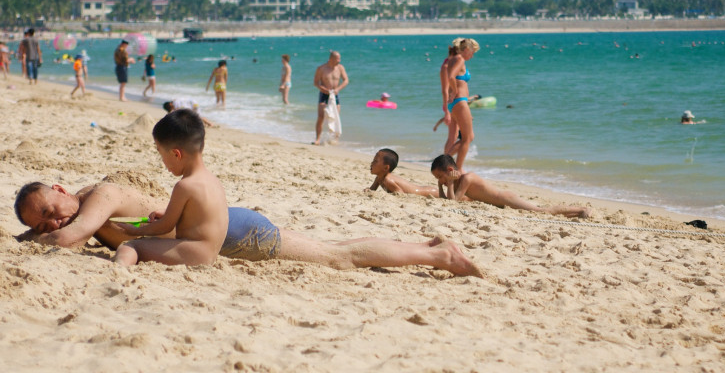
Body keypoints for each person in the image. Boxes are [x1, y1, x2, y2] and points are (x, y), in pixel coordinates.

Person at [15, 183, 483, 277]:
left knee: (338, 258)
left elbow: (67, 239)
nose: (53, 222)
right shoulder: (83, 211)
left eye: (50, 210)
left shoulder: (100, 195)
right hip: (225, 231)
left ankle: (440, 256)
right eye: (43, 223)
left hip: (235, 233)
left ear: (61, 188)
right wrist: (28, 236)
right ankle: (427, 246)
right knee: (334, 249)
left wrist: (30, 239)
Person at [109, 109, 229, 266]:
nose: (163, 163)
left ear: (176, 154)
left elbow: (165, 227)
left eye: (161, 154)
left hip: (192, 253)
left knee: (130, 246)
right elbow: (201, 215)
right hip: (210, 254)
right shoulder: (214, 181)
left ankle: (119, 269)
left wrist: (136, 231)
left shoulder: (184, 185)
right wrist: (168, 213)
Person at [430, 154, 591, 218]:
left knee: (541, 211)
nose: (441, 180)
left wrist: (449, 183)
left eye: (440, 177)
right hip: (501, 204)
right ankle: (575, 214)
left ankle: (581, 209)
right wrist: (441, 186)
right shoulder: (455, 182)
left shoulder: (466, 178)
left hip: (506, 199)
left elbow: (454, 202)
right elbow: (447, 201)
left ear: (450, 170)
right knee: (541, 212)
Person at [445, 38, 479, 171]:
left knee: (469, 137)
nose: (472, 56)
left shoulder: (452, 59)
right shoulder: (459, 59)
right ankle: (457, 169)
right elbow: (451, 77)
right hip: (459, 101)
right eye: (472, 52)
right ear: (467, 50)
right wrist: (454, 91)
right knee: (467, 138)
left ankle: (445, 162)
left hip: (457, 103)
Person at [366, 148, 439, 197]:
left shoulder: (387, 180)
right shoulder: (379, 178)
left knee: (443, 196)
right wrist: (368, 190)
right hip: (424, 190)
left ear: (386, 168)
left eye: (375, 161)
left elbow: (400, 194)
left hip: (428, 192)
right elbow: (372, 189)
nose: (372, 163)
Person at [313, 50, 349, 145]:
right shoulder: (321, 68)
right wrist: (322, 88)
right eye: (337, 59)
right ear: (331, 59)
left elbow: (346, 80)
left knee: (336, 117)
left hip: (335, 94)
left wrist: (338, 89)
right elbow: (316, 82)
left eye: (339, 58)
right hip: (324, 94)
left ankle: (335, 139)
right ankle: (317, 139)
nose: (339, 60)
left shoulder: (340, 68)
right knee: (321, 116)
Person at [439, 40, 462, 156]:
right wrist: (447, 111)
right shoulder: (446, 66)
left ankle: (446, 159)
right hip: (450, 104)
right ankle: (446, 159)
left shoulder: (453, 64)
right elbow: (445, 90)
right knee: (453, 136)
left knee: (454, 135)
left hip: (456, 102)